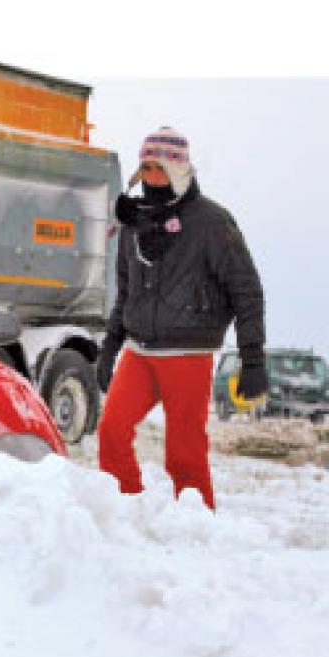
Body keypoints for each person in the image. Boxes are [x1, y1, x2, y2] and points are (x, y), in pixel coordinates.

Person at [96, 127, 266, 510]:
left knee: (184, 455)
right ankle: (126, 512)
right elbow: (126, 294)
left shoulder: (212, 223)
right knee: (111, 431)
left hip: (188, 355)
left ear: (178, 171)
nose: (150, 177)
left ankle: (197, 528)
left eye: (158, 168)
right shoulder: (132, 222)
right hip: (140, 353)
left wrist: (252, 358)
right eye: (145, 168)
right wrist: (110, 349)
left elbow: (246, 291)